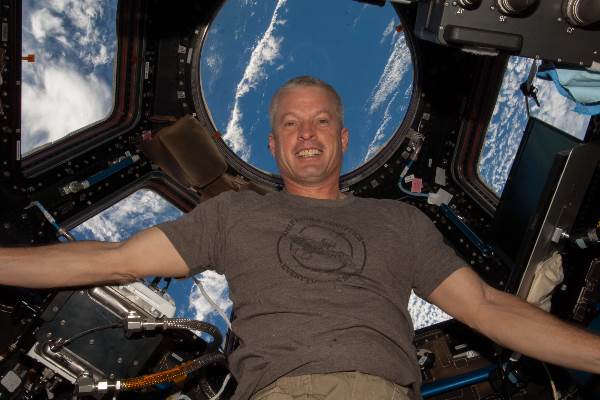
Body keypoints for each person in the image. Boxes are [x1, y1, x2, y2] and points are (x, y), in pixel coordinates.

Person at [1, 76, 599, 400]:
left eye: (320, 121)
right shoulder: (232, 215)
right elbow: (116, 260)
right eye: (290, 123)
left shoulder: (400, 222)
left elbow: (487, 306)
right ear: (272, 146)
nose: (306, 133)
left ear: (343, 139)